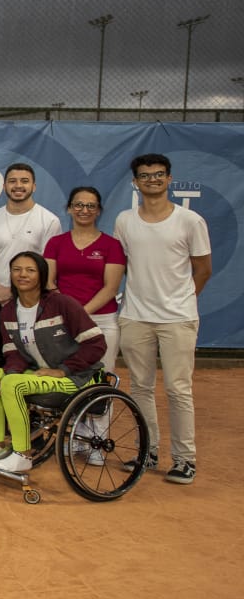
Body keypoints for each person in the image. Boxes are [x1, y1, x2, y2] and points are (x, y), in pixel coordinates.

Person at [115, 153, 212, 485]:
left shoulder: (190, 220)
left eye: (158, 175)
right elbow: (122, 266)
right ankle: (148, 451)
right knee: (140, 388)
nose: (152, 180)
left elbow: (203, 270)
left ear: (169, 179)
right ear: (135, 182)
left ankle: (185, 459)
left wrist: (180, 302)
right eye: (145, 175)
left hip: (178, 319)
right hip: (135, 316)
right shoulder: (125, 221)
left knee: (178, 389)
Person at [0, 252, 106, 476]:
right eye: (17, 269)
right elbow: (13, 353)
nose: (22, 274)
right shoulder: (7, 311)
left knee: (12, 384)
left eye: (30, 270)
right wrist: (10, 372)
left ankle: (23, 455)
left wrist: (63, 370)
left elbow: (96, 344)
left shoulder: (61, 303)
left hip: (76, 378)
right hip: (39, 375)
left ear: (42, 276)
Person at [43, 185, 125, 374]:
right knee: (64, 375)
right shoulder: (56, 243)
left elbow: (111, 288)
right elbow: (49, 282)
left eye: (91, 206)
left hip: (102, 320)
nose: (84, 210)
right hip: (62, 320)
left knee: (103, 376)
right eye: (79, 205)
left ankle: (105, 406)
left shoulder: (112, 245)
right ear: (70, 208)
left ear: (98, 211)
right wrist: (68, 312)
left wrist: (80, 313)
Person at [0, 162, 61, 329]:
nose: (18, 185)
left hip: (31, 301)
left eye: (24, 181)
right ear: (5, 186)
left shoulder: (49, 220)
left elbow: (47, 267)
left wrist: (13, 292)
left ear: (33, 186)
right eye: (13, 181)